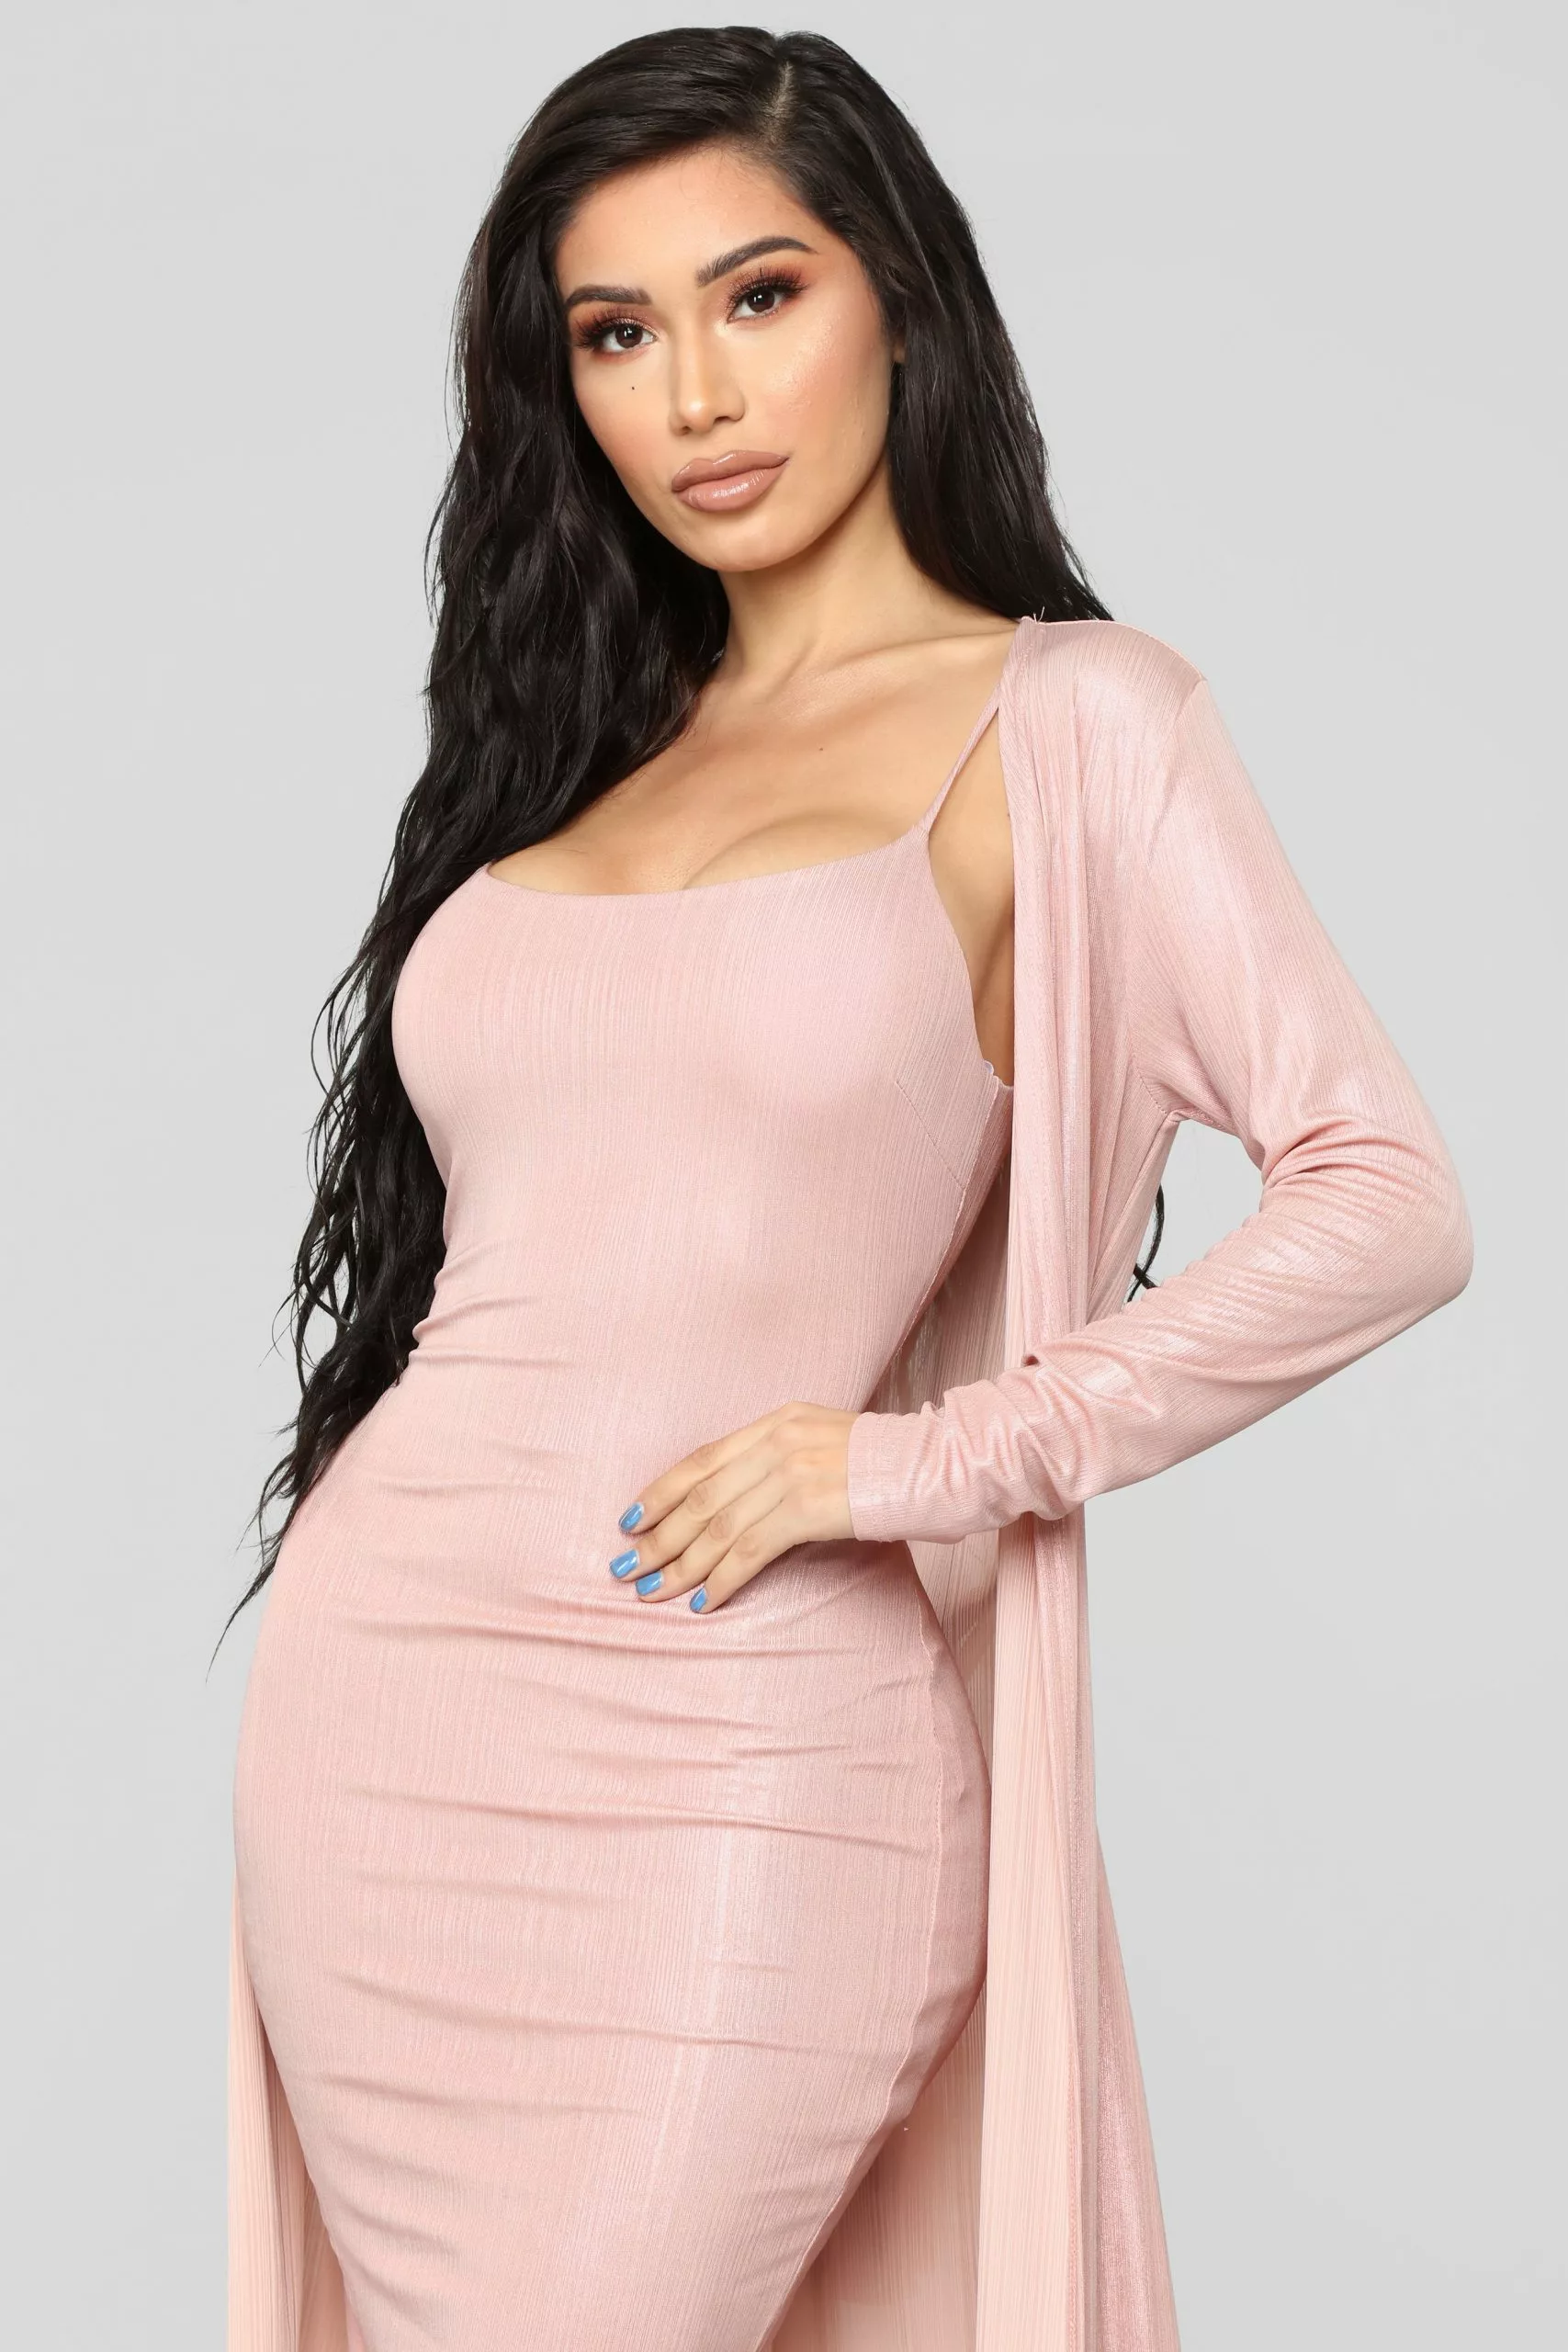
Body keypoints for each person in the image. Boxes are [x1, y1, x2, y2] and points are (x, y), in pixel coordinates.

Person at [222, 26, 1472, 2352]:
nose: (695, 393)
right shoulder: (568, 750)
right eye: (617, 332)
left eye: (759, 295)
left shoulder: (1071, 722)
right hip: (384, 1727)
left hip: (753, 1745)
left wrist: (923, 1460)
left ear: (899, 298)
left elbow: (1388, 1191)